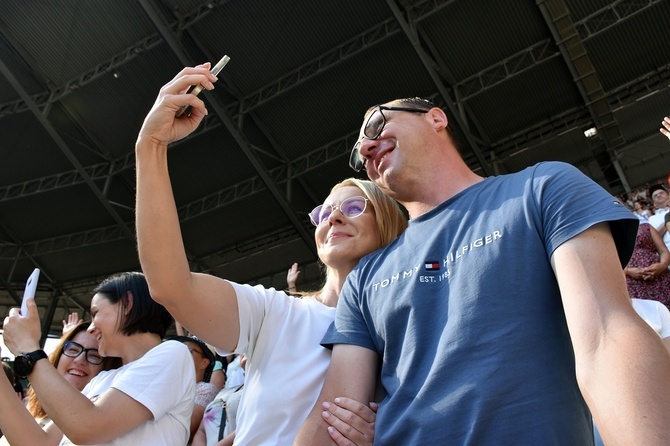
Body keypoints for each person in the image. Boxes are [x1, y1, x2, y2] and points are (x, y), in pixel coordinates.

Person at [295, 98, 670, 445]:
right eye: (361, 149)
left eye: (377, 125)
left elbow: (607, 338)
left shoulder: (543, 188)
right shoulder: (365, 276)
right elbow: (332, 415)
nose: (366, 147)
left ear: (436, 117)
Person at [134, 63, 408, 445]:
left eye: (354, 208)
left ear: (390, 223)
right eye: (324, 213)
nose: (334, 219)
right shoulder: (275, 312)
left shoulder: (412, 323)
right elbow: (170, 286)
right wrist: (150, 147)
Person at [1, 272, 195, 445]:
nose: (92, 327)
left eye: (95, 313)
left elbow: (86, 427)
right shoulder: (101, 381)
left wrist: (29, 348)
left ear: (127, 303)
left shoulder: (173, 353)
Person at [169, 335, 219, 442]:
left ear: (204, 363)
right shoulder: (170, 385)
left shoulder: (205, 389)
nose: (180, 354)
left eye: (188, 350)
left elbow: (187, 427)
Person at [192, 353, 247, 446]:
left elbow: (249, 427)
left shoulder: (263, 392)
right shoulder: (225, 392)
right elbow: (202, 431)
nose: (244, 354)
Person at [624, 222, 670, 309]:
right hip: (633, 284)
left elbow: (663, 250)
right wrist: (628, 271)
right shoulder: (607, 234)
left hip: (660, 276)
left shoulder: (646, 227)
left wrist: (662, 265)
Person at [646, 183, 670, 253]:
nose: (658, 195)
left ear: (668, 194)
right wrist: (667, 222)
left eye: (661, 193)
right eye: (655, 196)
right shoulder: (652, 219)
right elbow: (654, 238)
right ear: (654, 203)